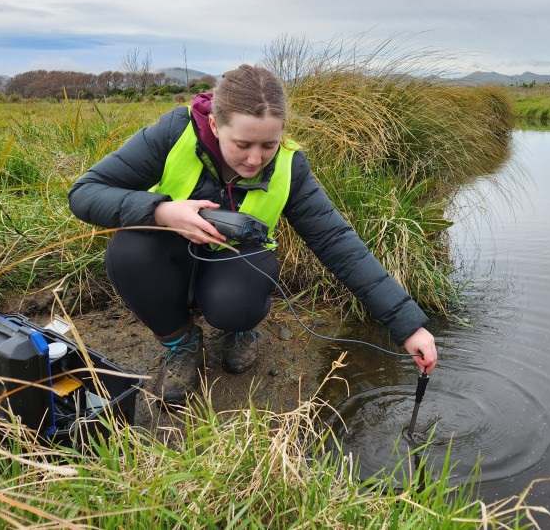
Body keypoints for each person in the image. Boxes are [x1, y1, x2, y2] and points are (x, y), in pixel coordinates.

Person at [68, 64, 437, 405]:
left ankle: (241, 330)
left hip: (238, 261)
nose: (255, 160)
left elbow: (338, 243)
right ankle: (182, 342)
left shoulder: (292, 167)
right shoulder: (173, 133)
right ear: (214, 125)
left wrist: (408, 327)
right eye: (242, 145)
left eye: (268, 145)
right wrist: (162, 211)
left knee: (235, 305)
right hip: (169, 255)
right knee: (129, 250)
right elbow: (85, 193)